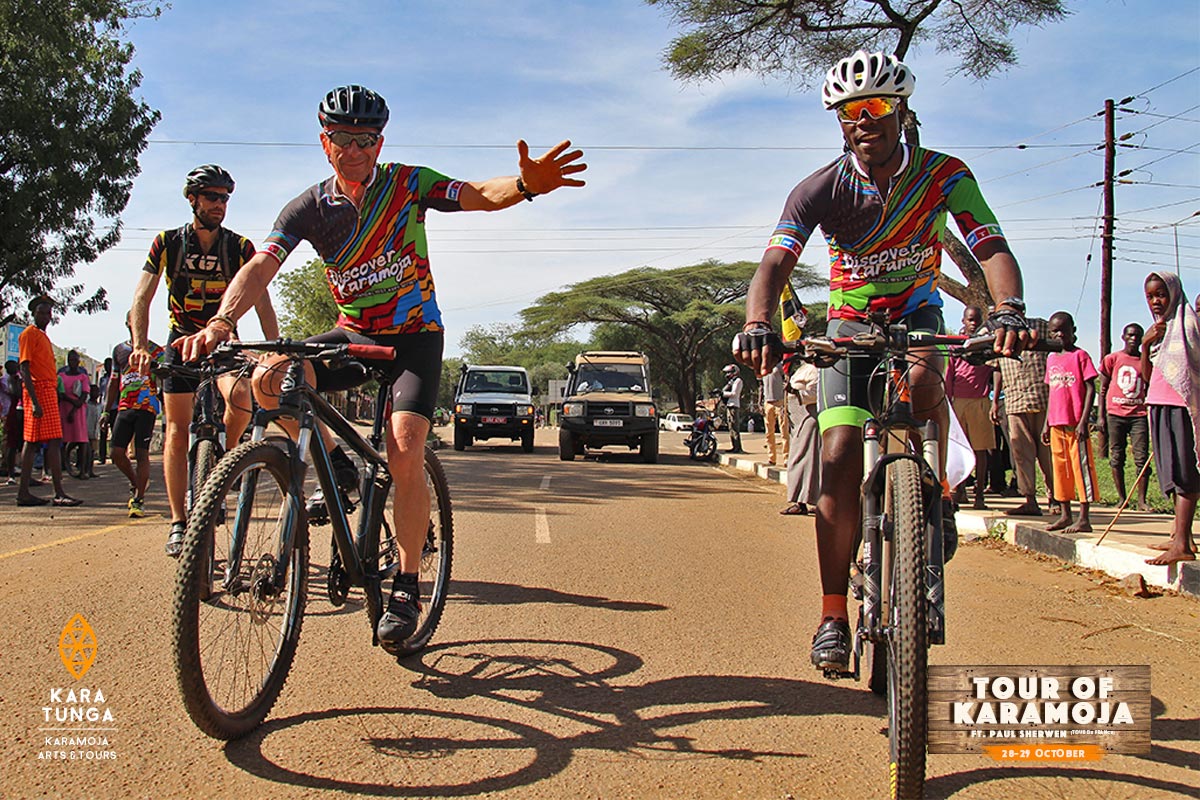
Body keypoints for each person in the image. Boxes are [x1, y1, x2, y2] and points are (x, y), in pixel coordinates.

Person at [174, 84, 586, 648]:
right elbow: (261, 266)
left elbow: (476, 194)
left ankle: (408, 585)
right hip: (354, 334)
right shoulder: (308, 208)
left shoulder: (406, 183)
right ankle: (338, 465)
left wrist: (522, 186)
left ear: (379, 142)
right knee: (268, 378)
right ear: (326, 143)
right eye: (343, 138)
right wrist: (223, 320)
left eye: (365, 139)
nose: (355, 149)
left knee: (404, 448)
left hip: (415, 338)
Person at [733, 50, 1033, 673]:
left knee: (926, 379)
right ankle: (833, 613)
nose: (860, 121)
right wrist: (758, 323)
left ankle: (935, 494)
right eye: (846, 112)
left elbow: (991, 246)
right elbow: (772, 266)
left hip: (919, 315)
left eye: (873, 107)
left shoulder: (945, 175)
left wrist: (1009, 309)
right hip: (849, 326)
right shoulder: (820, 188)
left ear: (901, 110)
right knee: (839, 449)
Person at [128, 164, 279, 556]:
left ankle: (224, 462)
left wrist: (274, 347)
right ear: (192, 199)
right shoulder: (167, 242)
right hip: (181, 343)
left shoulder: (240, 247)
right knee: (177, 430)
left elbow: (261, 298)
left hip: (224, 343)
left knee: (244, 394)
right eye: (212, 196)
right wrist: (140, 346)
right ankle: (179, 522)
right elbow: (141, 299)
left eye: (225, 198)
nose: (220, 204)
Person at [1140, 271, 1198, 565]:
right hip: (1158, 402)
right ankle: (1180, 537)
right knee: (1172, 472)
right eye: (1150, 296)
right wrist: (1145, 345)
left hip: (1182, 406)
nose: (1155, 301)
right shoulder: (1158, 330)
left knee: (1186, 472)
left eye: (1160, 294)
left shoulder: (1188, 323)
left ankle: (1183, 543)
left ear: (1173, 293)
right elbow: (1148, 377)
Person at [15, 297, 81, 506]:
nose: (46, 316)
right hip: (38, 391)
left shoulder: (43, 336)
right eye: (42, 312)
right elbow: (24, 368)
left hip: (48, 391)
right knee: (32, 441)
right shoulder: (28, 334)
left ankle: (56, 492)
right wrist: (34, 401)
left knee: (53, 440)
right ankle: (27, 492)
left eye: (48, 313)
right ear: (33, 313)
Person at [1041, 312, 1099, 533]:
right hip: (1056, 423)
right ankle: (1065, 514)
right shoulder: (1051, 359)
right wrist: (1047, 423)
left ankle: (1084, 517)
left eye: (1063, 330)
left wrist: (1085, 421)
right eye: (1054, 331)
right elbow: (1051, 393)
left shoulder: (1080, 356)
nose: (1058, 335)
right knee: (1061, 469)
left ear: (1073, 331)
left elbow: (1091, 388)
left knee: (1080, 468)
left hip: (1076, 423)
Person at [992, 316, 1055, 517]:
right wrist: (995, 401)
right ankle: (1030, 499)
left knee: (1047, 455)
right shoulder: (998, 332)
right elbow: (997, 369)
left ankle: (1056, 497)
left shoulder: (1040, 327)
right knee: (1021, 454)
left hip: (1042, 398)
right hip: (1015, 400)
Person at [108, 315, 165, 518]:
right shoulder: (120, 350)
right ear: (128, 324)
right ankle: (137, 482)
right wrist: (107, 410)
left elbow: (166, 378)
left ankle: (138, 500)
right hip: (124, 406)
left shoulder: (156, 351)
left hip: (147, 407)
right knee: (116, 452)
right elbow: (114, 381)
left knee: (141, 454)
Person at [946, 306, 996, 510]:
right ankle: (958, 490)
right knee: (957, 447)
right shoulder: (955, 345)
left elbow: (995, 368)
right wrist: (948, 400)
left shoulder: (985, 344)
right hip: (958, 400)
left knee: (981, 449)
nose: (973, 323)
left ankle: (980, 493)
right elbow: (949, 372)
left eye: (976, 319)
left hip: (980, 401)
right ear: (963, 321)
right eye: (970, 319)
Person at [1099, 323, 1151, 511]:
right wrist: (1101, 416)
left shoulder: (1145, 360)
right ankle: (1122, 498)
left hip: (1139, 415)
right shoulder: (1112, 359)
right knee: (1117, 456)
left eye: (1137, 336)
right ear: (1123, 337)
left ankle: (1142, 500)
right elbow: (1103, 389)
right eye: (1130, 335)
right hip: (1115, 414)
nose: (1133, 339)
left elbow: (1149, 384)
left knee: (1141, 458)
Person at [780, 358, 820, 515]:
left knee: (806, 461)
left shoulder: (815, 370)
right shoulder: (803, 369)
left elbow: (815, 394)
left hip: (809, 418)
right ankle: (801, 501)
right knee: (801, 460)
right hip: (797, 420)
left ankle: (804, 501)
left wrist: (794, 391)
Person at [57, 350, 91, 476]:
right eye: (71, 360)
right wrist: (71, 401)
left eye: (75, 360)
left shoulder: (83, 377)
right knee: (63, 440)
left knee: (81, 439)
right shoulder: (61, 376)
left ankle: (82, 470)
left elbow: (84, 395)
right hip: (64, 410)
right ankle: (61, 467)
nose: (73, 362)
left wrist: (74, 406)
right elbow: (60, 393)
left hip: (78, 411)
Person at [761, 362, 789, 465]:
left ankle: (786, 457)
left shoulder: (779, 365)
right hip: (768, 402)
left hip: (780, 401)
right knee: (769, 432)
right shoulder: (763, 366)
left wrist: (785, 401)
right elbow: (761, 385)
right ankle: (771, 458)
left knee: (784, 431)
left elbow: (786, 380)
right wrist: (760, 402)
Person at [2, 359, 22, 482]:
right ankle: (11, 474)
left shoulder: (18, 378)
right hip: (13, 412)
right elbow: (16, 393)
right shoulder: (9, 380)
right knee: (11, 443)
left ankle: (20, 469)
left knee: (21, 444)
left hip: (20, 411)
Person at [720, 364, 745, 453]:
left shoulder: (738, 381)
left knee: (734, 427)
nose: (727, 374)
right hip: (729, 405)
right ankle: (734, 446)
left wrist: (723, 393)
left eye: (729, 372)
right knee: (731, 427)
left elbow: (734, 393)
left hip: (734, 405)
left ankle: (737, 448)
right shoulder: (731, 382)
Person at [96, 356, 115, 464]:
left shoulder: (117, 378)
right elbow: (100, 393)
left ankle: (114, 456)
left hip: (115, 407)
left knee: (114, 433)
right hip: (104, 408)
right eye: (106, 365)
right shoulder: (102, 379)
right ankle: (101, 457)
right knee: (102, 433)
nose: (108, 367)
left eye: (110, 365)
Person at [85, 384, 101, 478]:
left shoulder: (99, 406)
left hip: (95, 432)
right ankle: (85, 469)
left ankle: (90, 470)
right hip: (87, 430)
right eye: (93, 391)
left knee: (92, 451)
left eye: (97, 392)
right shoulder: (87, 405)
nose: (95, 393)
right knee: (86, 451)